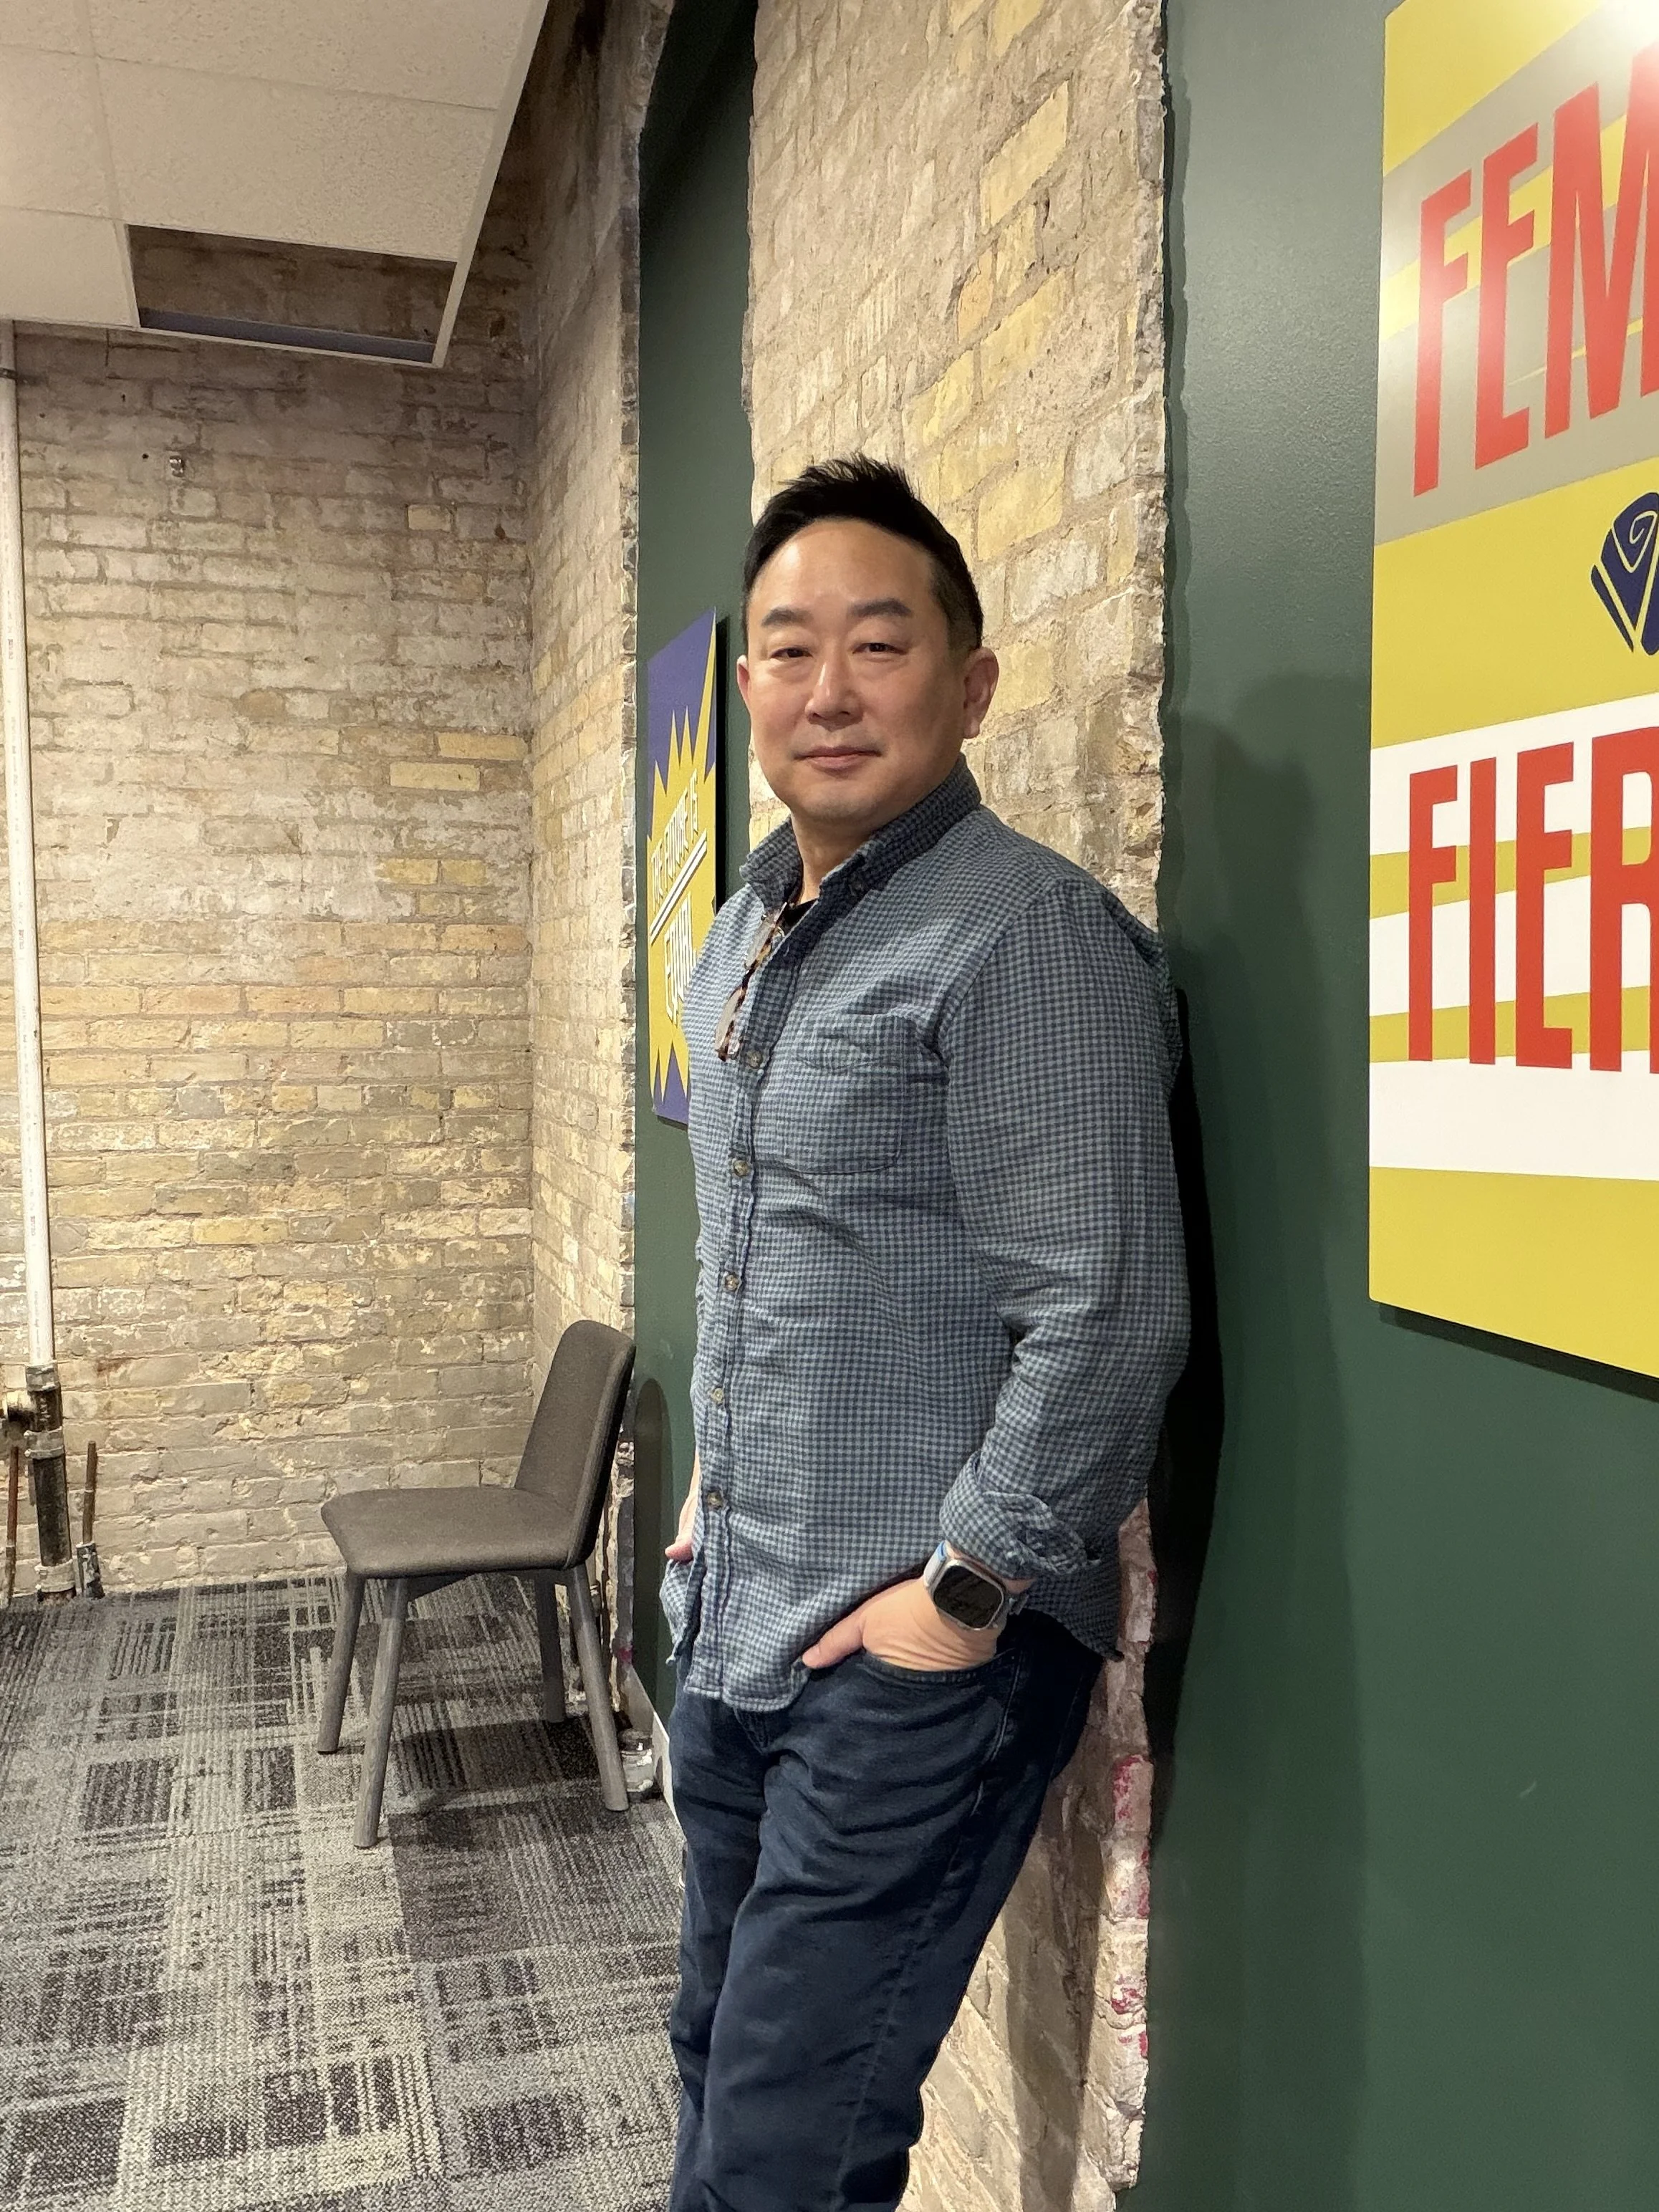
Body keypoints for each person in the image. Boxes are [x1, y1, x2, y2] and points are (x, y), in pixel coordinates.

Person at [659, 456, 1188, 2212]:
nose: (828, 689)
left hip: (918, 1655)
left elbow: (1108, 1319)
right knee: (715, 2061)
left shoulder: (1024, 937)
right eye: (790, 648)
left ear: (969, 682)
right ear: (746, 691)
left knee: (785, 2153)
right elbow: (760, 1257)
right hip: (744, 1606)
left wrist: (954, 1598)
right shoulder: (742, 931)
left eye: (878, 645)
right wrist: (709, 1494)